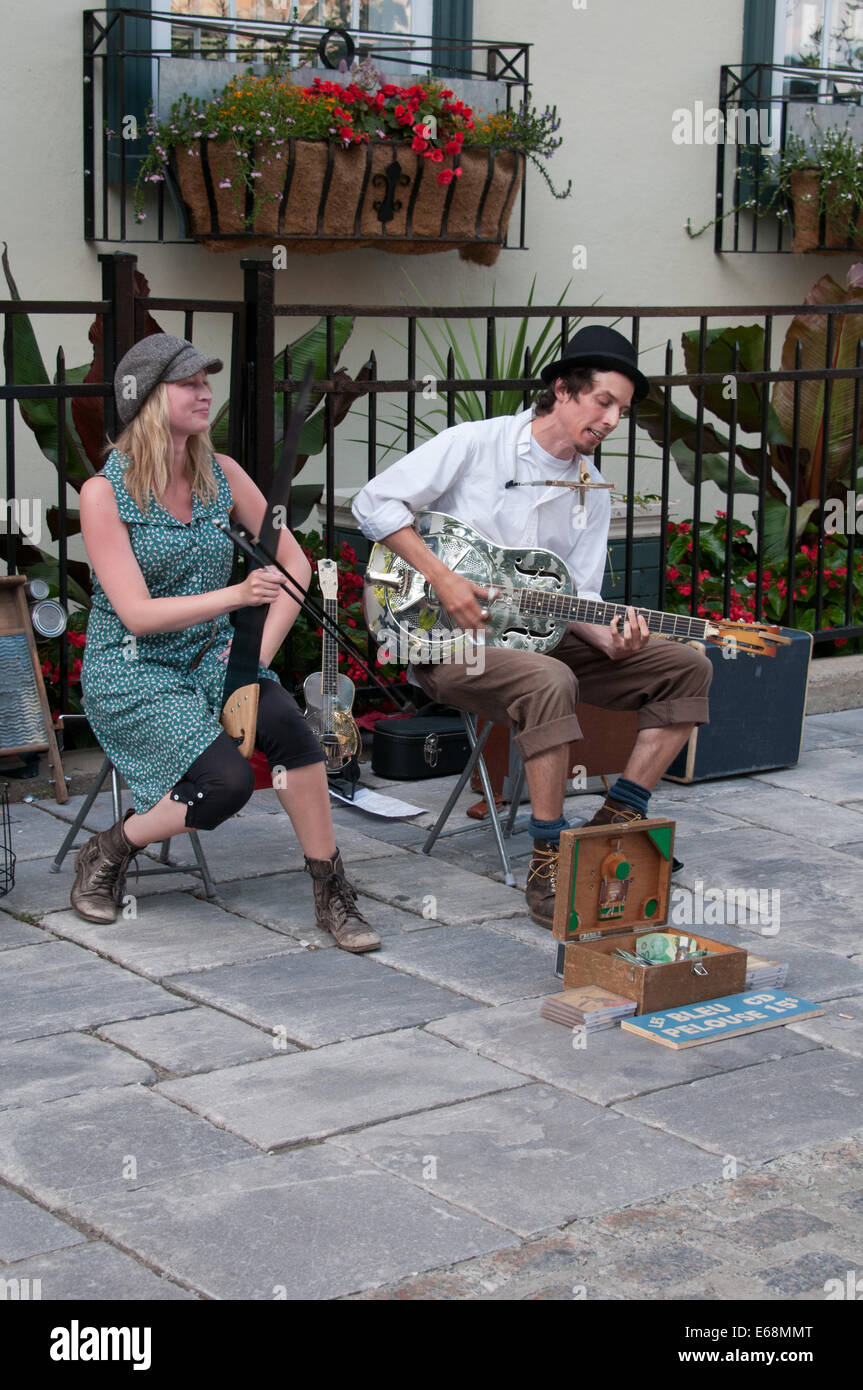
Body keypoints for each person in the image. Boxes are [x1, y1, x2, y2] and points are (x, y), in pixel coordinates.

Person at [352, 325, 712, 928]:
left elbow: (582, 596)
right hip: (449, 642)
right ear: (562, 391)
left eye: (622, 409)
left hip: (545, 638)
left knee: (687, 666)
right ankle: (549, 856)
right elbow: (373, 503)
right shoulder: (477, 444)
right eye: (604, 401)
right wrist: (442, 577)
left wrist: (610, 635)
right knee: (547, 680)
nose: (612, 419)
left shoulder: (591, 488)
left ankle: (613, 826)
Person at [72, 333, 379, 953]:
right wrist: (237, 598)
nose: (204, 392)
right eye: (188, 383)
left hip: (213, 657)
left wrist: (253, 659)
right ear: (147, 400)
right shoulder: (103, 495)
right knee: (227, 784)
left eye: (206, 380)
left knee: (293, 729)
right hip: (134, 670)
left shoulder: (222, 474)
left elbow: (292, 563)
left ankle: (331, 891)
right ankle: (112, 847)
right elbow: (135, 613)